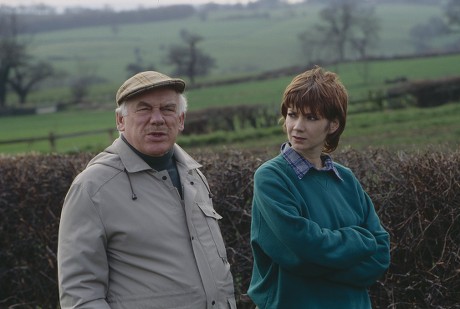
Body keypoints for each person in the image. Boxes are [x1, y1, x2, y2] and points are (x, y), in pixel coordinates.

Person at [57, 71, 236, 309]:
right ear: (120, 121)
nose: (157, 119)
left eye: (167, 109)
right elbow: (80, 295)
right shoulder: (92, 187)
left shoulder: (193, 175)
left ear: (181, 119)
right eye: (144, 109)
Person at [247, 66, 390, 309]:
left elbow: (381, 254)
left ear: (333, 125)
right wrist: (359, 242)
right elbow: (303, 251)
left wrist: (318, 263)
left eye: (311, 117)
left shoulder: (345, 179)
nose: (297, 126)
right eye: (292, 115)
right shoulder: (272, 178)